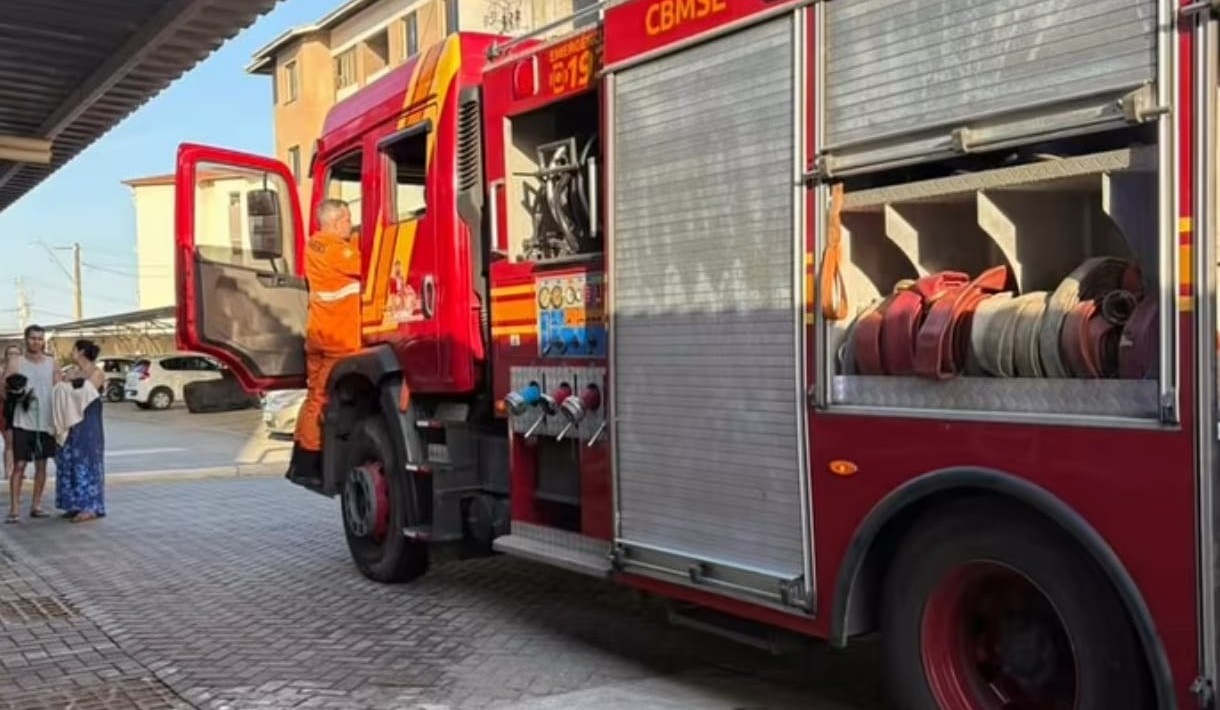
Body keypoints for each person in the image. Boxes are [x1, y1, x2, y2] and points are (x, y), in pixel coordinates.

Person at [286, 199, 362, 484]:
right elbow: (367, 263)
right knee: (322, 400)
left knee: (313, 397)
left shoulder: (315, 244)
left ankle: (302, 460)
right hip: (337, 338)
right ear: (335, 222)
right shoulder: (337, 251)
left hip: (319, 334)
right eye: (347, 219)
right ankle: (310, 464)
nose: (351, 224)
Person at [5, 325, 61, 523]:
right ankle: (14, 510)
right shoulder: (16, 362)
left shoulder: (52, 363)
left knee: (41, 465)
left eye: (39, 338)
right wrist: (16, 394)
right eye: (32, 338)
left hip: (45, 422)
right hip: (22, 421)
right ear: (25, 340)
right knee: (19, 465)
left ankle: (36, 505)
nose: (36, 342)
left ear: (43, 341)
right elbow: (5, 386)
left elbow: (58, 390)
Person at [54, 339, 106, 522]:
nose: (72, 353)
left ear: (81, 351)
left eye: (74, 350)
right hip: (71, 422)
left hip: (88, 423)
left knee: (87, 460)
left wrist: (70, 384)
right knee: (69, 460)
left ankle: (90, 506)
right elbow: (60, 389)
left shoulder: (96, 372)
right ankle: (73, 504)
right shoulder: (72, 371)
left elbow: (86, 393)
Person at [0, 344, 20, 483]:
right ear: (6, 355)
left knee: (17, 443)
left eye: (16, 353)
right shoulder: (2, 371)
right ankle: (9, 472)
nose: (13, 356)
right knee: (9, 443)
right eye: (11, 353)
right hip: (4, 409)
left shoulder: (24, 370)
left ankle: (16, 471)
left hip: (19, 410)